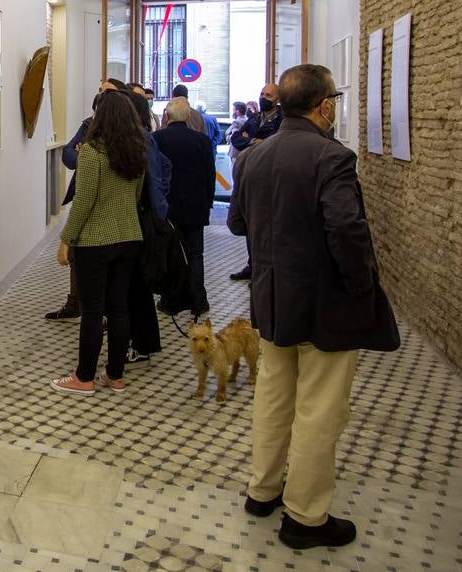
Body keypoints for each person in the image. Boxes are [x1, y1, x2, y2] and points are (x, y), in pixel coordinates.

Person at [227, 64, 399, 550]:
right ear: (324, 106)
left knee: (274, 395)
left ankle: (263, 490)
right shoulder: (332, 158)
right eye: (335, 101)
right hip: (323, 303)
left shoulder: (254, 158)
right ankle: (305, 515)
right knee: (320, 407)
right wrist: (360, 282)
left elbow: (238, 224)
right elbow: (345, 229)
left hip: (272, 299)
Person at [51, 90, 149, 393]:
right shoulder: (137, 152)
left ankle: (84, 377)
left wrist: (66, 239)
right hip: (129, 237)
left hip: (95, 241)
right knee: (119, 309)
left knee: (92, 311)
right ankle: (115, 375)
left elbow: (84, 202)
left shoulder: (93, 152)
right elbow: (135, 196)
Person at [47, 78, 128, 322]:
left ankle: (98, 313)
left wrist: (88, 156)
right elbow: (69, 155)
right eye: (100, 92)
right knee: (79, 260)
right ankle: (75, 303)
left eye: (107, 92)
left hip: (115, 212)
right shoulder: (88, 126)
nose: (101, 96)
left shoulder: (128, 135)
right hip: (93, 206)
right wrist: (86, 158)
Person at [152, 97, 215, 318]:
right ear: (188, 116)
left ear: (166, 116)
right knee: (196, 254)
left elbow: (155, 175)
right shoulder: (202, 141)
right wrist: (208, 204)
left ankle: (170, 300)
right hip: (195, 207)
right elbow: (210, 175)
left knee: (170, 254)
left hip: (167, 209)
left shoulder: (156, 138)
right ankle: (199, 301)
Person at [124, 89, 169, 363]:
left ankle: (142, 342)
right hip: (141, 218)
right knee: (136, 285)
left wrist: (159, 215)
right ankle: (143, 341)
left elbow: (156, 177)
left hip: (143, 220)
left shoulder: (141, 139)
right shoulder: (141, 139)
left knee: (137, 285)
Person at [228, 82, 283, 281]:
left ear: (277, 99)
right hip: (249, 173)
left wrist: (258, 141)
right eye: (262, 93)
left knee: (267, 227)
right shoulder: (255, 119)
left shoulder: (281, 120)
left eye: (268, 95)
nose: (263, 97)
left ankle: (266, 271)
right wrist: (252, 140)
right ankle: (253, 266)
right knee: (250, 223)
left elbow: (277, 141)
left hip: (269, 175)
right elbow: (236, 138)